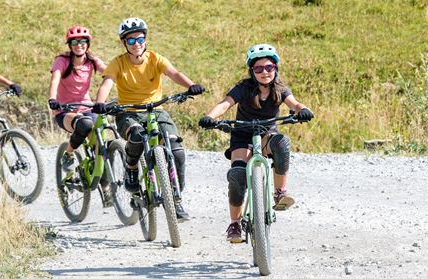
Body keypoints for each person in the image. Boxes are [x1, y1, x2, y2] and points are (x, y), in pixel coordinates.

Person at [198, 43, 314, 243]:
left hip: (266, 134)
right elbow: (225, 104)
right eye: (258, 69)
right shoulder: (243, 88)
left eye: (269, 67)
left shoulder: (280, 89)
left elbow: (294, 104)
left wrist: (303, 110)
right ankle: (235, 223)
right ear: (252, 71)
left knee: (282, 144)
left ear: (275, 68)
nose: (264, 72)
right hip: (242, 136)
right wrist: (210, 117)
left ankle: (279, 193)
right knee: (237, 175)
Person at [92, 17, 204, 222]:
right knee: (135, 136)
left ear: (146, 39)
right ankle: (132, 170)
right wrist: (100, 103)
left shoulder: (155, 58)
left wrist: (191, 86)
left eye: (140, 39)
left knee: (176, 150)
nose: (137, 44)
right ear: (124, 43)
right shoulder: (118, 63)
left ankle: (175, 198)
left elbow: (174, 73)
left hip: (155, 110)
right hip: (128, 111)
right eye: (132, 40)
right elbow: (107, 83)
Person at [47, 26, 107, 179]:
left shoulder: (92, 61)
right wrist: (52, 99)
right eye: (74, 42)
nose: (79, 45)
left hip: (87, 107)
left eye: (82, 42)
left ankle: (106, 186)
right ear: (69, 45)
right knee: (85, 125)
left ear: (88, 43)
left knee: (101, 143)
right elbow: (55, 80)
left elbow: (110, 73)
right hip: (65, 111)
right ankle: (69, 153)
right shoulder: (62, 60)